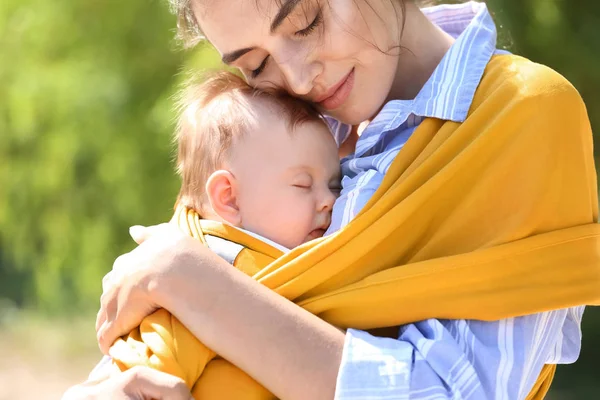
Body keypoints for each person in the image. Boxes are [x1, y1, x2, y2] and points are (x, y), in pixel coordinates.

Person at [64, 1, 600, 399]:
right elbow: (165, 331)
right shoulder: (281, 130)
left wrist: (190, 277)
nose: (297, 77)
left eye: (306, 22)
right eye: (255, 64)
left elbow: (456, 391)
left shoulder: (519, 114)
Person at [99, 71, 340, 399]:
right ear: (229, 197)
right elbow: (144, 365)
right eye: (303, 184)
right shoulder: (210, 268)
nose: (329, 200)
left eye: (335, 185)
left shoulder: (291, 259)